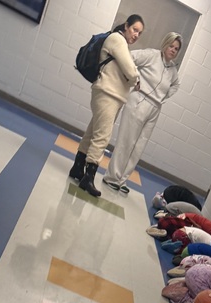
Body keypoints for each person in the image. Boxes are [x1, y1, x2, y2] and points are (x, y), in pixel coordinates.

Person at [69, 15, 144, 197]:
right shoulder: (118, 39)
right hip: (108, 94)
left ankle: (78, 168)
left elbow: (127, 71)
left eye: (139, 33)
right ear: (126, 26)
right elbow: (130, 70)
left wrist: (132, 77)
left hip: (111, 95)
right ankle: (88, 177)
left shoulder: (119, 41)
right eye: (134, 29)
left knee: (92, 132)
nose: (136, 35)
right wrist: (135, 78)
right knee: (102, 137)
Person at [102, 32, 182, 194]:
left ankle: (122, 179)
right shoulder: (151, 55)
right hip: (139, 100)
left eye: (176, 49)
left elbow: (175, 85)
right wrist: (134, 79)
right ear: (165, 44)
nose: (173, 50)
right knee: (126, 141)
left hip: (155, 108)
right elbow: (129, 58)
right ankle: (111, 177)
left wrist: (164, 96)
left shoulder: (172, 69)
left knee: (138, 146)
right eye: (171, 46)